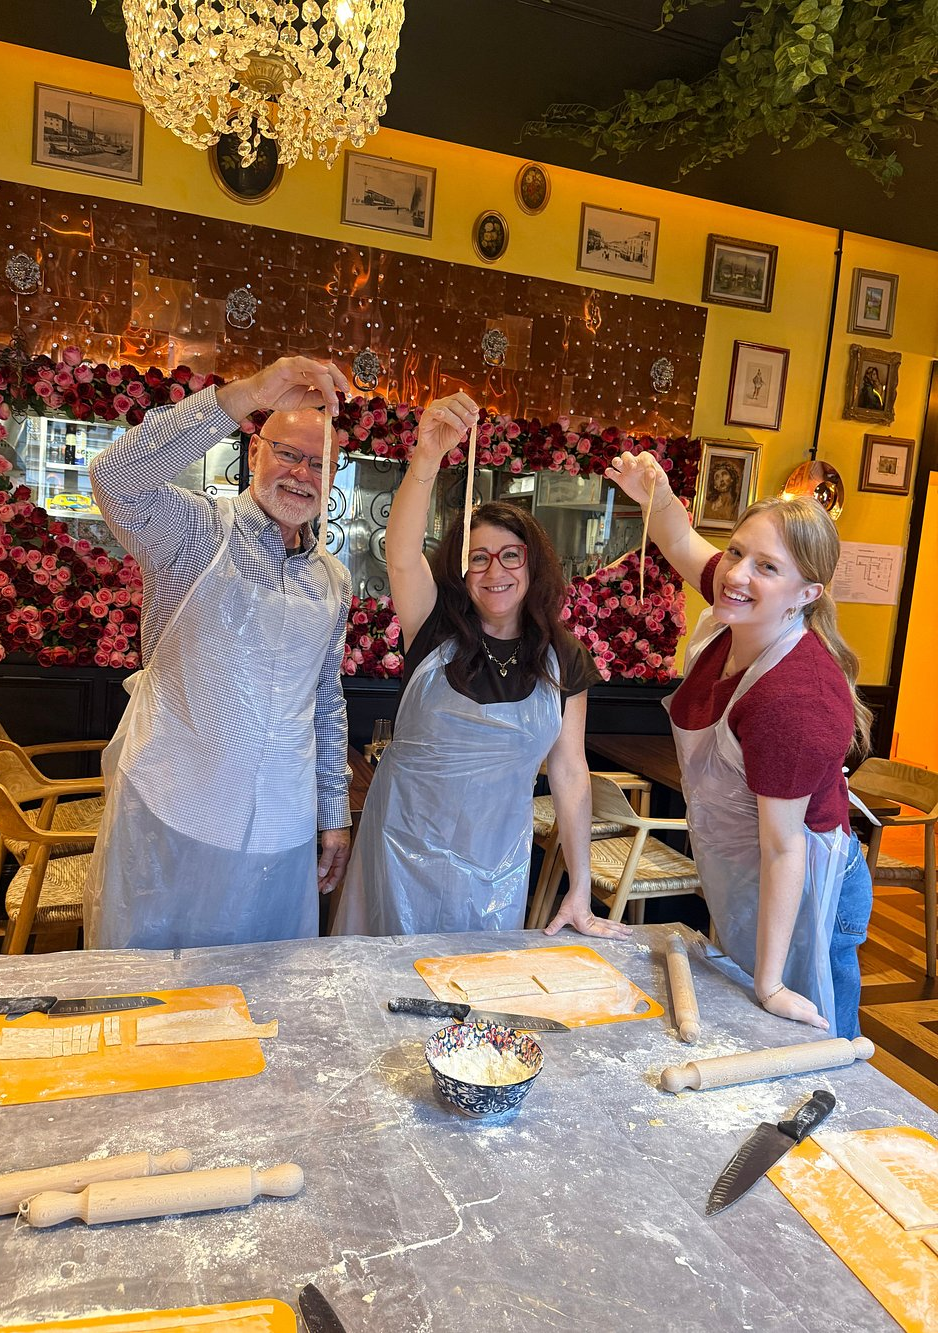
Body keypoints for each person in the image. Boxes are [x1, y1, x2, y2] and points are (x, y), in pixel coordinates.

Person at [334, 392, 631, 941]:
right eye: (478, 557)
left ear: (533, 563)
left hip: (497, 862)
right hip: (400, 846)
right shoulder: (434, 624)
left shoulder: (563, 657)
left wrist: (582, 892)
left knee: (476, 994)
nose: (495, 570)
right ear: (462, 569)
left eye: (510, 555)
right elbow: (399, 554)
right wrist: (425, 457)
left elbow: (569, 772)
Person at [84, 356, 353, 949]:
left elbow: (326, 700)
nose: (301, 474)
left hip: (281, 828)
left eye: (318, 463)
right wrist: (250, 391)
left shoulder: (333, 579)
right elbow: (116, 477)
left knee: (264, 996)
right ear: (255, 451)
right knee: (154, 996)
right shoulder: (192, 529)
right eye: (287, 453)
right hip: (170, 810)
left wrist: (334, 811)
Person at [606, 451, 874, 1039]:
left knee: (818, 1051)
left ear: (807, 594)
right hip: (750, 865)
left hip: (806, 887)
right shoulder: (742, 606)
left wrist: (772, 984)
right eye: (736, 552)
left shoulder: (793, 698)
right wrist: (653, 491)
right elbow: (680, 543)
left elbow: (784, 849)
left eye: (766, 566)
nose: (735, 574)